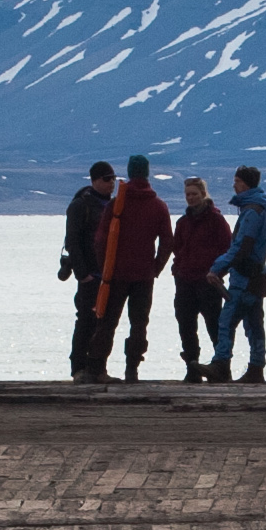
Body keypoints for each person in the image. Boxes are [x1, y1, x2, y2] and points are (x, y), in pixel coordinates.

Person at [100, 155, 169, 380]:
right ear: (147, 173)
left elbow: (101, 239)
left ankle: (97, 367)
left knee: (108, 321)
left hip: (115, 274)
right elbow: (168, 243)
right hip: (143, 276)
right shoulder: (158, 206)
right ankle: (132, 369)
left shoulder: (117, 203)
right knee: (139, 323)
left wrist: (105, 265)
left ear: (130, 173)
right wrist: (155, 268)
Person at [168, 174, 232, 380]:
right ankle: (192, 367)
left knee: (214, 325)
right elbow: (177, 248)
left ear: (203, 194)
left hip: (207, 282)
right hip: (185, 281)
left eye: (194, 194)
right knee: (186, 326)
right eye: (187, 194)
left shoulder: (216, 220)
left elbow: (227, 250)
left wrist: (217, 273)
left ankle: (221, 367)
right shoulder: (182, 223)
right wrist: (177, 269)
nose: (190, 198)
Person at [57, 159, 117, 381]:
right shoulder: (80, 205)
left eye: (113, 179)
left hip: (108, 275)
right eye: (106, 179)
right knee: (85, 321)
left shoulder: (112, 206)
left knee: (104, 324)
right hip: (90, 276)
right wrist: (83, 276)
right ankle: (78, 368)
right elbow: (73, 242)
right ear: (94, 180)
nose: (111, 184)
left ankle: (97, 368)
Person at [216, 164, 266, 383]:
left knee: (226, 321)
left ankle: (221, 363)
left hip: (244, 276)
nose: (234, 185)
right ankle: (256, 367)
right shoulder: (262, 208)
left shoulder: (252, 211)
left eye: (238, 181)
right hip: (257, 275)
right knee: (254, 323)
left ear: (246, 184)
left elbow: (242, 246)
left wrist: (218, 267)